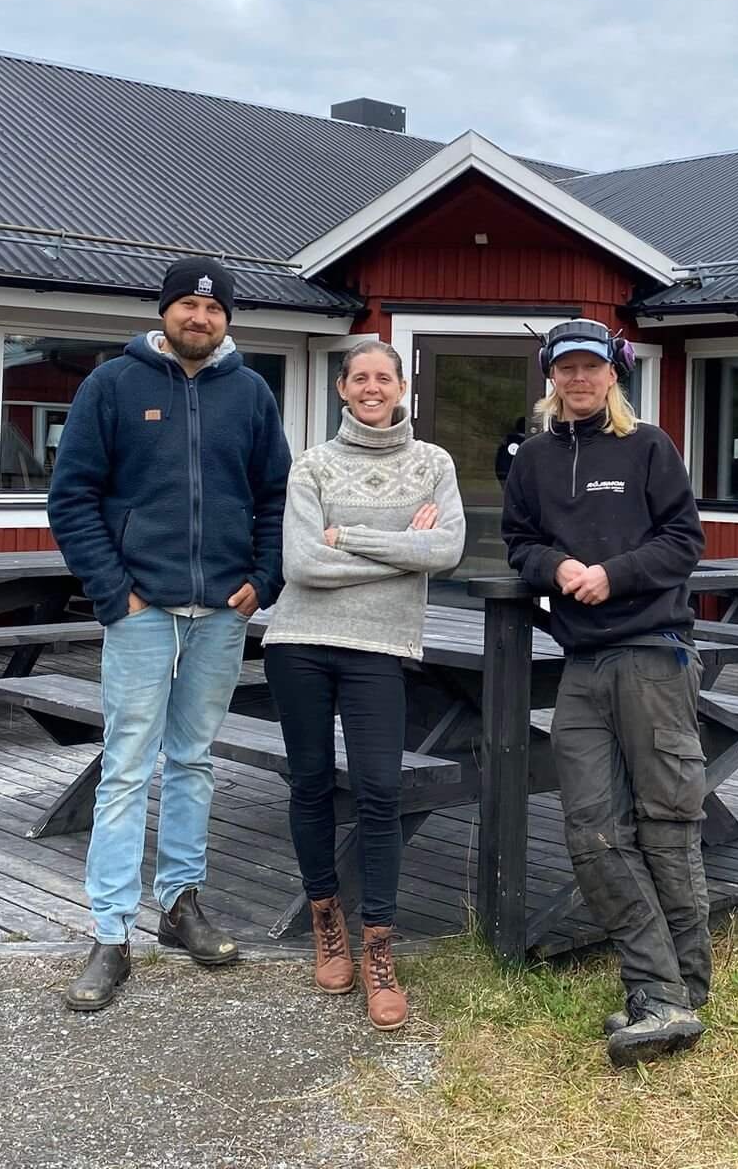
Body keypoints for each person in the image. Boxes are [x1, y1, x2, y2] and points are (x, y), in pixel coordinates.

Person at [46, 256, 291, 1013]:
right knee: (126, 765)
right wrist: (114, 594)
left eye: (214, 309)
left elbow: (276, 494)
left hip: (222, 613)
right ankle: (111, 933)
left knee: (193, 760)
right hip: (143, 614)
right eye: (187, 304)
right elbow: (73, 498)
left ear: (228, 321)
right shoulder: (112, 386)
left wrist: (265, 577)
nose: (200, 317)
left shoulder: (249, 393)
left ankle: (181, 905)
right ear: (164, 313)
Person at [500, 318, 709, 1067]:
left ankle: (674, 989)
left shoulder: (649, 446)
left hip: (654, 654)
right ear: (551, 377)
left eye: (591, 367)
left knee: (667, 822)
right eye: (566, 369)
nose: (579, 379)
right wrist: (555, 567)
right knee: (591, 829)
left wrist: (612, 575)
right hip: (583, 665)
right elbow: (518, 540)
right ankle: (664, 991)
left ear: (613, 374)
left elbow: (684, 540)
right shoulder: (533, 460)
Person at [263, 337, 465, 1030]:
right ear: (343, 389)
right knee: (312, 783)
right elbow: (302, 565)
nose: (373, 387)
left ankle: (379, 946)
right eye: (361, 378)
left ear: (402, 387)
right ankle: (327, 922)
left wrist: (346, 537)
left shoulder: (433, 463)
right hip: (299, 645)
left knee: (381, 790)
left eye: (385, 377)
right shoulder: (312, 465)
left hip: (380, 648)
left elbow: (448, 548)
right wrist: (401, 551)